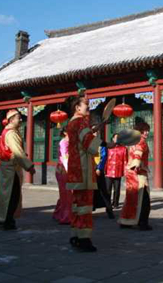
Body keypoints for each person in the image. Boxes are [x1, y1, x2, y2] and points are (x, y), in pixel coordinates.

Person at [65, 95, 104, 252]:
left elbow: (81, 139)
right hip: (83, 169)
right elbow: (89, 144)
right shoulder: (81, 122)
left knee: (76, 205)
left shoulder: (71, 122)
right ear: (77, 107)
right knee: (85, 206)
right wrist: (105, 142)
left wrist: (92, 131)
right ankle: (84, 239)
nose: (89, 106)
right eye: (86, 104)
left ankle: (75, 235)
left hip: (74, 168)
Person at [0, 109, 36, 230]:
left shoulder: (6, 131)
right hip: (11, 169)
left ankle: (0, 217)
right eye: (18, 117)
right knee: (12, 195)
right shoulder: (11, 133)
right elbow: (18, 152)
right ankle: (8, 220)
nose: (20, 120)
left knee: (4, 194)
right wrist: (29, 166)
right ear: (11, 119)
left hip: (6, 166)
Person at [118, 119, 152, 231]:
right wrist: (136, 163)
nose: (146, 132)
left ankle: (126, 221)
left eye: (147, 130)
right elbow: (138, 153)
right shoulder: (141, 141)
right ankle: (142, 222)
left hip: (129, 171)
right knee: (143, 199)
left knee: (131, 198)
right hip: (138, 172)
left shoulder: (132, 141)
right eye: (144, 130)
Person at [53, 128, 72, 225]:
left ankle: (58, 213)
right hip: (64, 170)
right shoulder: (63, 142)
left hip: (68, 169)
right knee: (66, 194)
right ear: (65, 132)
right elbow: (65, 157)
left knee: (66, 193)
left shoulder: (72, 141)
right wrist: (69, 170)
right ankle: (66, 216)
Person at [93, 141, 114, 219]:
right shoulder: (87, 142)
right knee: (90, 191)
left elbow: (103, 156)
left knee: (103, 190)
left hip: (97, 169)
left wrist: (99, 168)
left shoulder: (100, 143)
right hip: (89, 169)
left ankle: (109, 210)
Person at [105, 133, 127, 209]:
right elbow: (104, 158)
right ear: (113, 139)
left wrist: (125, 171)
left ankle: (115, 203)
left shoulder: (123, 148)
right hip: (108, 171)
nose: (117, 139)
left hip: (118, 171)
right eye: (115, 138)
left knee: (117, 189)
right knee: (108, 189)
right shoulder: (108, 147)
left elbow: (125, 160)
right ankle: (108, 204)